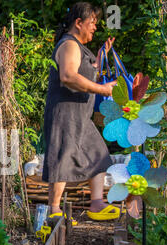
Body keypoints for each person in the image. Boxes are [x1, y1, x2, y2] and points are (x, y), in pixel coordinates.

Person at [42, 2, 123, 223]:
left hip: (80, 115)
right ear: (78, 23)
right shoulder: (68, 44)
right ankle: (54, 210)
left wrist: (99, 58)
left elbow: (84, 75)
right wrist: (103, 89)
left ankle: (96, 204)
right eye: (92, 23)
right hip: (65, 113)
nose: (95, 27)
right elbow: (68, 76)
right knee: (62, 156)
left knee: (98, 153)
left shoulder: (79, 46)